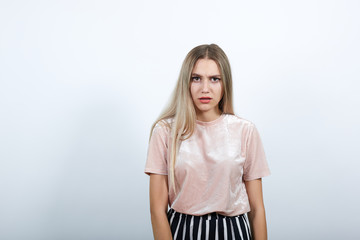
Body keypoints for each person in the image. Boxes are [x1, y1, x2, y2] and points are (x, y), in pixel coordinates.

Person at [144, 44, 271, 240]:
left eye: (214, 79)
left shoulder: (245, 131)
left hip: (233, 231)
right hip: (183, 231)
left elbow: (257, 208)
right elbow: (157, 210)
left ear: (225, 83)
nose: (205, 88)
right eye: (196, 78)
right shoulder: (165, 131)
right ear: (186, 82)